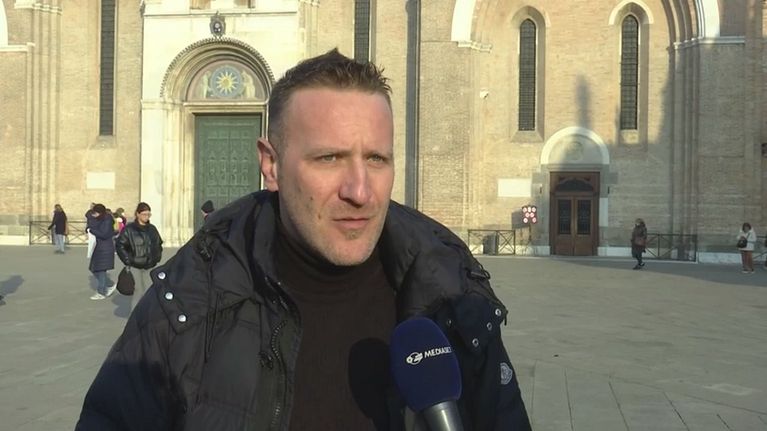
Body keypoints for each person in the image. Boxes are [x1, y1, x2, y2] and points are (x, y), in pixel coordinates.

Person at [76, 49, 531, 430]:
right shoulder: (187, 305)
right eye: (329, 158)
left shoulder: (451, 300)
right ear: (270, 165)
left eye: (377, 159)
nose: (360, 191)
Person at [116, 202, 163, 311]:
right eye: (144, 214)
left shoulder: (152, 229)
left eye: (148, 214)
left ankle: (147, 314)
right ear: (137, 214)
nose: (147, 217)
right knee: (139, 290)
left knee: (149, 291)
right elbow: (120, 245)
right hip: (135, 265)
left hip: (149, 265)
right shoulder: (129, 229)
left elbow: (159, 243)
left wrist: (157, 256)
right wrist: (128, 260)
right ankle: (134, 315)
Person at [86, 203, 117, 300]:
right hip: (99, 247)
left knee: (101, 270)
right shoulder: (100, 219)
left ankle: (101, 292)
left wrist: (92, 230)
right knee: (93, 268)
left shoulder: (107, 220)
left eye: (95, 213)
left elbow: (104, 234)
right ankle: (110, 284)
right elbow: (90, 219)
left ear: (100, 213)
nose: (94, 215)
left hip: (105, 248)